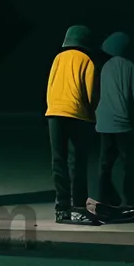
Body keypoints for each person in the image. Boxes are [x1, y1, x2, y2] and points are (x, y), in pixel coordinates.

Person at [45, 25, 99, 224]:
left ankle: (62, 209)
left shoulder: (58, 58)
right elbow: (91, 92)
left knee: (58, 162)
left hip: (54, 113)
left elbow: (50, 85)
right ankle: (78, 207)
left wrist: (52, 107)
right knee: (77, 163)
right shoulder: (87, 60)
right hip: (78, 115)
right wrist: (91, 112)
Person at [88, 31, 134, 221]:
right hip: (122, 122)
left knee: (104, 163)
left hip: (103, 121)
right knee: (128, 164)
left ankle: (104, 199)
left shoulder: (102, 67)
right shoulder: (129, 66)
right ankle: (129, 201)